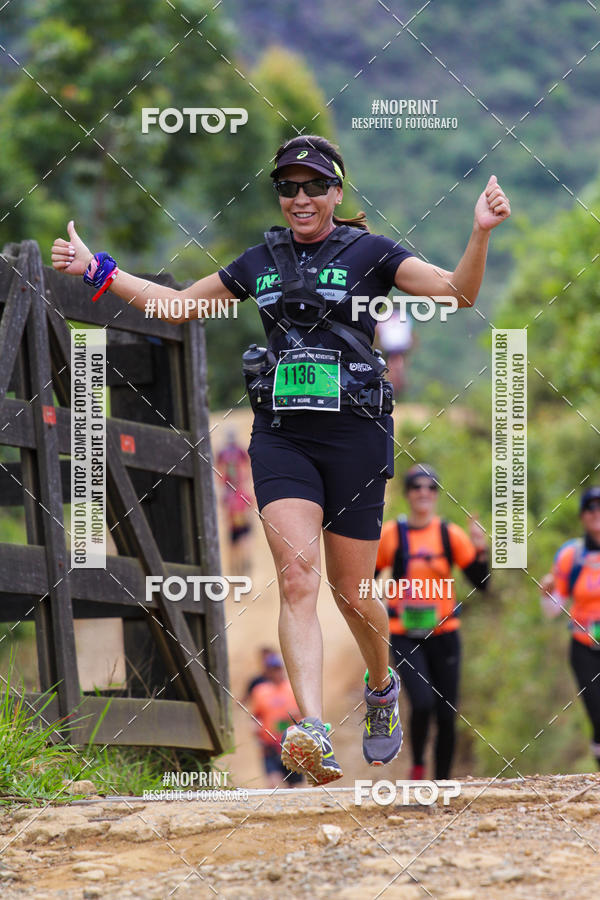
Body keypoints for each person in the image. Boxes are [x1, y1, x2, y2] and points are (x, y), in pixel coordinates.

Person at [51, 134, 510, 784]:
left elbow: (456, 295)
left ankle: (381, 689)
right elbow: (181, 307)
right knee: (298, 579)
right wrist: (100, 269)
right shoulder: (261, 260)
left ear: (336, 192)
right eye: (288, 187)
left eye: (313, 186)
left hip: (356, 436)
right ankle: (313, 729)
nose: (300, 198)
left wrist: (480, 232)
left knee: (352, 593)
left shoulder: (371, 254)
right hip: (283, 438)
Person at [375, 464, 490, 780]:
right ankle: (417, 766)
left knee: (447, 713)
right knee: (422, 703)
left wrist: (481, 549)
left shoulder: (449, 534)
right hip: (404, 633)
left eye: (431, 487)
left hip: (444, 633)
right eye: (417, 487)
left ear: (437, 494)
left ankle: (441, 782)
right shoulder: (391, 535)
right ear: (408, 493)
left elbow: (482, 583)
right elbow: (366, 577)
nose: (424, 493)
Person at [539, 486, 600, 770]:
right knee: (597, 712)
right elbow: (553, 611)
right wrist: (547, 593)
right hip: (584, 647)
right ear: (582, 516)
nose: (596, 513)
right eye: (590, 508)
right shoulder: (571, 556)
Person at [248, 653, 304, 787]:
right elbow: (255, 716)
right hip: (270, 747)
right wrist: (256, 733)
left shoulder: (293, 688)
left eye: (278, 668)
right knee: (273, 784)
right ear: (267, 671)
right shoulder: (260, 691)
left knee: (294, 787)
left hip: (292, 745)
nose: (276, 672)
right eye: (272, 669)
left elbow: (304, 713)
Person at [216, 429, 254, 576]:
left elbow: (220, 475)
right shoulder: (240, 452)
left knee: (233, 537)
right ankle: (243, 564)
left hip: (230, 498)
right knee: (244, 533)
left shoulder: (223, 454)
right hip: (241, 496)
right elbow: (246, 471)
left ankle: (236, 569)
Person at [376, 309, 415, 397]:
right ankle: (396, 387)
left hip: (389, 346)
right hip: (401, 346)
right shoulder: (405, 316)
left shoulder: (382, 316)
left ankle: (393, 387)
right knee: (398, 366)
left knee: (392, 367)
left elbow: (377, 331)